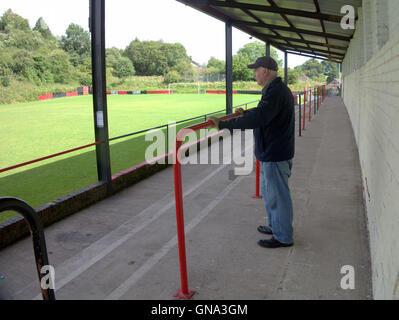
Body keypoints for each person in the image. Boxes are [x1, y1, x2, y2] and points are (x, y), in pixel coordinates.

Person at [208, 56, 295, 249]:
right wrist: (246, 113)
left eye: (256, 70)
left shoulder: (275, 91)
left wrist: (224, 124)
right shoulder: (275, 90)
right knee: (270, 192)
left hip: (275, 153)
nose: (254, 74)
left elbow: (261, 117)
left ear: (265, 71)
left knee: (278, 196)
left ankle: (283, 237)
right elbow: (264, 113)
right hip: (273, 151)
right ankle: (276, 227)